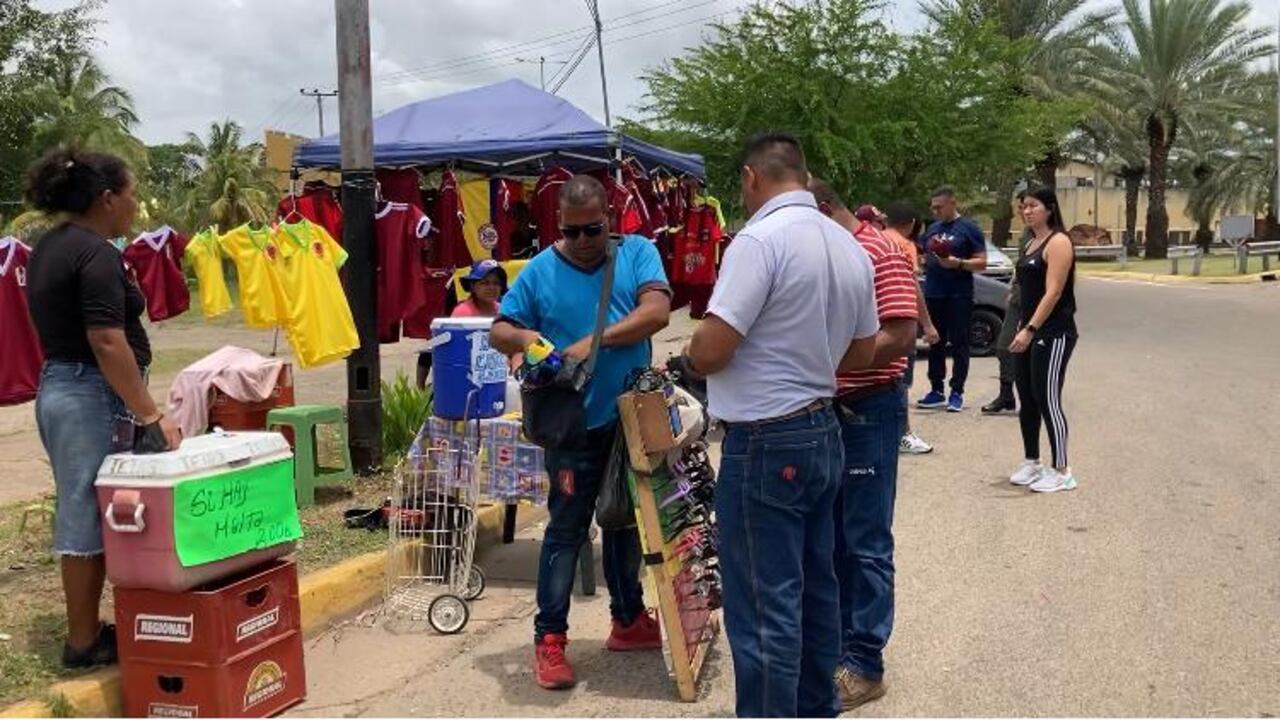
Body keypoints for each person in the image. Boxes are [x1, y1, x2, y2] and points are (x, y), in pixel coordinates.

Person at [682, 134, 878, 718]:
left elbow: (714, 348)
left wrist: (691, 356)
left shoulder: (759, 240)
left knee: (765, 610)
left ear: (750, 177)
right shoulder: (846, 246)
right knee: (817, 594)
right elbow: (864, 353)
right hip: (822, 432)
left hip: (767, 440)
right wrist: (807, 355)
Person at [490, 175, 672, 690]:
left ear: (608, 219)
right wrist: (527, 337)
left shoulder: (636, 252)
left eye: (593, 229)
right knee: (567, 530)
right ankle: (549, 641)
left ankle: (628, 619)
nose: (585, 240)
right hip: (573, 428)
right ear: (559, 228)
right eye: (573, 232)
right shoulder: (541, 270)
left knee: (625, 521)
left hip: (630, 420)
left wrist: (588, 343)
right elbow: (499, 328)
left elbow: (655, 313)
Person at [23, 149, 182, 668]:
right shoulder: (94, 253)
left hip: (66, 387)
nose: (136, 204)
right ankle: (84, 642)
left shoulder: (51, 246)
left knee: (96, 505)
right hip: (87, 390)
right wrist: (150, 414)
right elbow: (106, 339)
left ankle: (94, 627)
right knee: (85, 510)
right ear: (106, 198)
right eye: (131, 194)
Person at [810, 185, 917, 710]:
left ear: (826, 209)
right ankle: (839, 646)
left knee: (865, 539)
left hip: (869, 409)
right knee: (831, 537)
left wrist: (826, 364)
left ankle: (866, 663)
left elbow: (900, 335)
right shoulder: (831, 253)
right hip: (831, 409)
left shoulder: (879, 251)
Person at [1008, 186, 1078, 493]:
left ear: (1049, 208)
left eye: (1033, 206)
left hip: (1053, 332)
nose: (1027, 211)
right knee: (1027, 397)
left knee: (1047, 398)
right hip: (1029, 329)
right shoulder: (1030, 243)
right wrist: (1020, 324)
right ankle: (1032, 461)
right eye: (1023, 206)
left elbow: (1054, 292)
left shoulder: (1058, 241)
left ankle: (1063, 470)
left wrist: (1031, 329)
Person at [917, 187, 986, 413]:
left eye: (939, 207)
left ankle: (957, 391)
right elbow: (924, 255)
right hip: (934, 293)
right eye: (932, 207)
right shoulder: (933, 229)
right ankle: (936, 390)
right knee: (935, 342)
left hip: (959, 294)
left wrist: (958, 263)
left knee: (959, 343)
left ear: (952, 203)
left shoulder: (969, 228)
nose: (934, 211)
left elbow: (982, 262)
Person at [877, 203, 939, 454]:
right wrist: (927, 324)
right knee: (900, 379)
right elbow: (912, 288)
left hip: (878, 322)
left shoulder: (876, 240)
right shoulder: (904, 246)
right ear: (912, 223)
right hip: (899, 323)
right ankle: (903, 434)